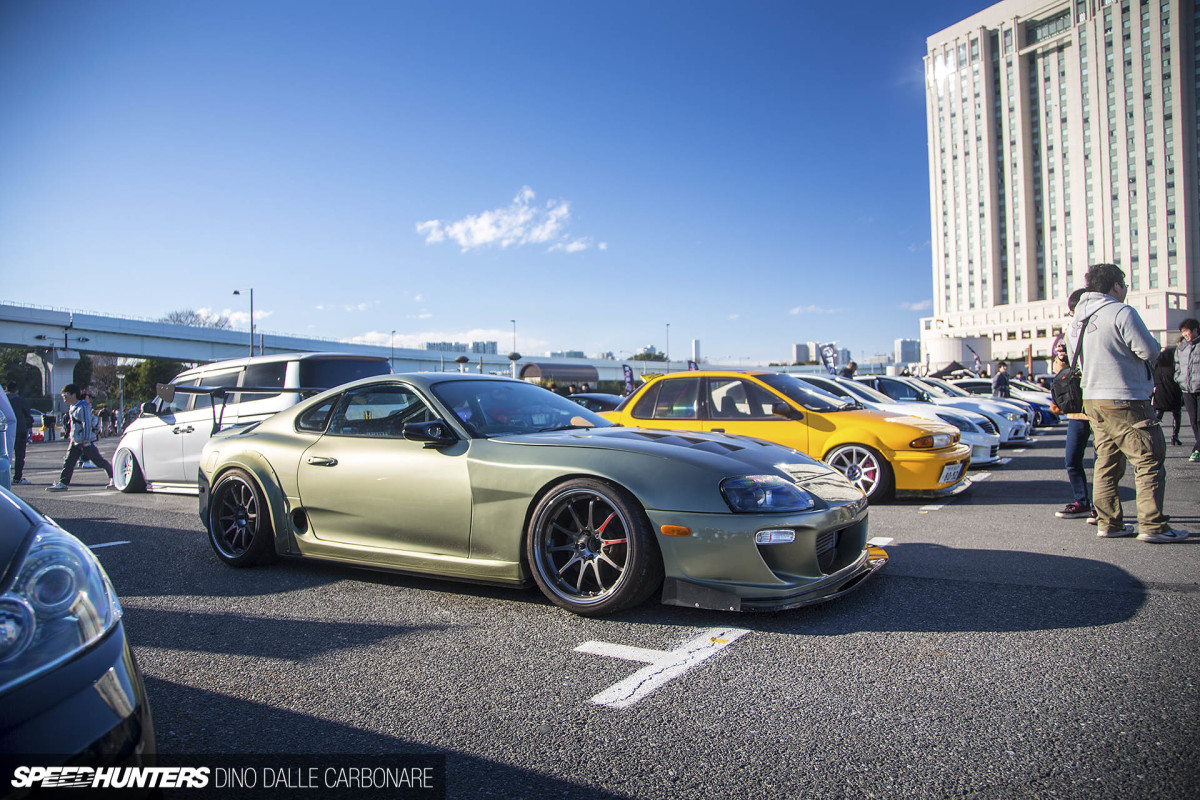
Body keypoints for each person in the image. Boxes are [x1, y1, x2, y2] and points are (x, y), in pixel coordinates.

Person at [1066, 263, 1186, 542]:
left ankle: (1109, 523)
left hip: (1092, 398)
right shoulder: (1121, 312)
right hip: (1126, 397)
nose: (1125, 290)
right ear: (1115, 286)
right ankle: (1153, 526)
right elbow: (1149, 351)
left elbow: (1076, 361)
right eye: (1124, 285)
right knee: (1148, 459)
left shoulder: (1077, 321)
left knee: (1106, 462)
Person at [1053, 289, 1093, 520]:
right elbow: (1061, 376)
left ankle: (1103, 508)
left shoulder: (1100, 328)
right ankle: (1082, 501)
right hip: (1078, 410)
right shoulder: (1072, 332)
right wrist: (1061, 359)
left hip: (1101, 405)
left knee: (1104, 462)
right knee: (1072, 459)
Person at [47, 384, 114, 492]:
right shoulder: (73, 407)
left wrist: (86, 440)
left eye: (66, 395)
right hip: (76, 440)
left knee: (98, 461)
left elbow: (86, 424)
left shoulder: (82, 407)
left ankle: (114, 477)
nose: (64, 397)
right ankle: (63, 483)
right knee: (69, 462)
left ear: (73, 395)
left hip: (84, 441)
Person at [1176, 318, 1200, 463]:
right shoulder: (1182, 348)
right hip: (1187, 388)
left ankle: (1197, 449)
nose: (1185, 336)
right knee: (1193, 421)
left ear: (1196, 330)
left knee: (1199, 419)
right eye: (1183, 334)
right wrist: (1178, 378)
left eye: (1187, 332)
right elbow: (1177, 364)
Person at [1152, 347, 1183, 446]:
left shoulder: (1157, 369)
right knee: (1176, 414)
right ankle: (1175, 435)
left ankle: (1154, 435)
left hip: (1160, 394)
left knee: (1158, 415)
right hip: (1174, 393)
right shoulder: (1173, 369)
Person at [5, 381, 34, 485]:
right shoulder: (20, 400)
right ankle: (17, 478)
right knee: (19, 456)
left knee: (4, 454)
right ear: (16, 390)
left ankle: (4, 477)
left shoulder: (3, 400)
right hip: (19, 430)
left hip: (4, 431)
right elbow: (28, 415)